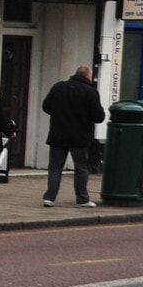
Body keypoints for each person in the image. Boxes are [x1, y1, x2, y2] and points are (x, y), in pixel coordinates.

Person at [42, 64, 105, 207]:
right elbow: (99, 116)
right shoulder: (90, 92)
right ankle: (82, 198)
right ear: (88, 76)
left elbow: (46, 106)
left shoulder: (58, 87)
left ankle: (49, 197)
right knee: (81, 167)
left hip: (58, 134)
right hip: (80, 136)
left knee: (55, 167)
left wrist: (59, 114)